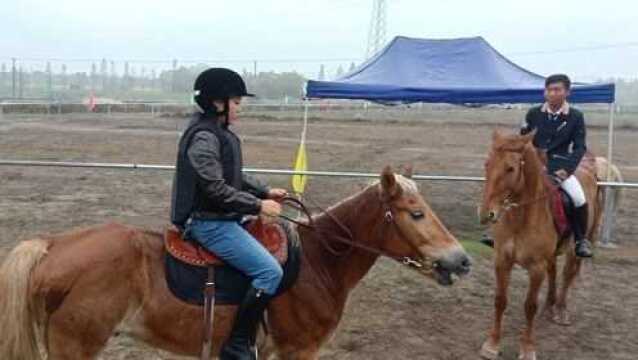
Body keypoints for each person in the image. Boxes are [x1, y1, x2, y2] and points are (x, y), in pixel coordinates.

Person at [170, 68, 288, 359]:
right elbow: (215, 188)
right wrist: (258, 206)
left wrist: (264, 191)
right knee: (269, 271)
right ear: (217, 103)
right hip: (208, 223)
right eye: (236, 102)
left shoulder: (217, 133)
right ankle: (237, 344)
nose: (240, 108)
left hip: (222, 217)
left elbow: (233, 175)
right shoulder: (204, 138)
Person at [520, 74, 593, 258]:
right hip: (533, 165)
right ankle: (494, 231)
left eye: (557, 90)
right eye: (549, 90)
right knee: (509, 188)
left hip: (560, 167)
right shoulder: (534, 113)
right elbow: (522, 140)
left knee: (578, 198)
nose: (552, 93)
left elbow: (579, 147)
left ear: (567, 92)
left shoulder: (576, 116)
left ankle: (580, 239)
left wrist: (566, 170)